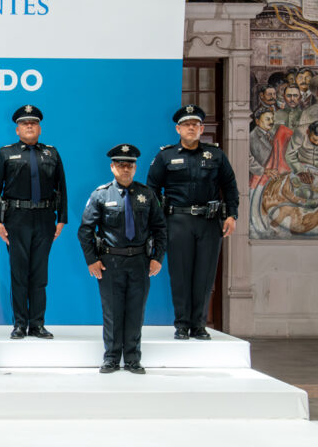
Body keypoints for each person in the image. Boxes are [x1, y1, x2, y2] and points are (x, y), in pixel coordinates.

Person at [146, 105, 238, 340]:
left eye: (195, 125)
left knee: (204, 274)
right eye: (186, 125)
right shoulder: (166, 156)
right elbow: (152, 189)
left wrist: (231, 215)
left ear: (201, 129)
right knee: (180, 274)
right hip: (177, 221)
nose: (191, 128)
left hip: (209, 221)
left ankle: (199, 325)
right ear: (178, 128)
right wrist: (157, 219)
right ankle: (182, 325)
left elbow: (229, 186)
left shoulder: (216, 155)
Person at [78, 144, 167, 375]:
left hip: (139, 261)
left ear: (135, 168)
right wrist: (92, 260)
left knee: (135, 311)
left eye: (129, 165)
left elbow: (160, 228)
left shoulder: (147, 195)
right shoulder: (101, 194)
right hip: (111, 262)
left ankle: (133, 358)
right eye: (120, 165)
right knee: (112, 311)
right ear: (112, 167)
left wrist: (157, 257)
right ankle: (111, 357)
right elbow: (85, 230)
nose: (125, 169)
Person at [0, 105, 67, 339]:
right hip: (16, 219)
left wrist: (61, 219)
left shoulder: (51, 153)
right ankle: (20, 324)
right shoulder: (5, 153)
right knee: (19, 273)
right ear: (17, 129)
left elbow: (61, 187)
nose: (29, 126)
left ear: (40, 128)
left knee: (40, 273)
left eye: (33, 122)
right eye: (24, 123)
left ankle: (38, 324)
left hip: (44, 219)